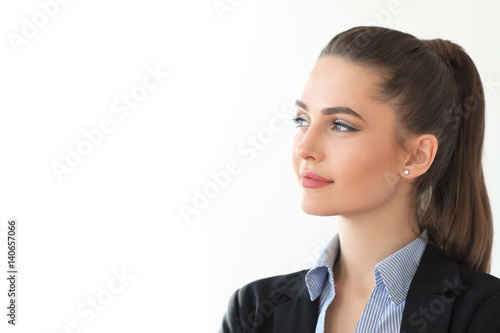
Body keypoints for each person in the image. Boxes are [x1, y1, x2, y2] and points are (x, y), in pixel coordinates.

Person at [219, 26, 500, 333]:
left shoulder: (485, 314)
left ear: (416, 155)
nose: (304, 148)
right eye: (302, 120)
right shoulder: (255, 310)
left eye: (340, 125)